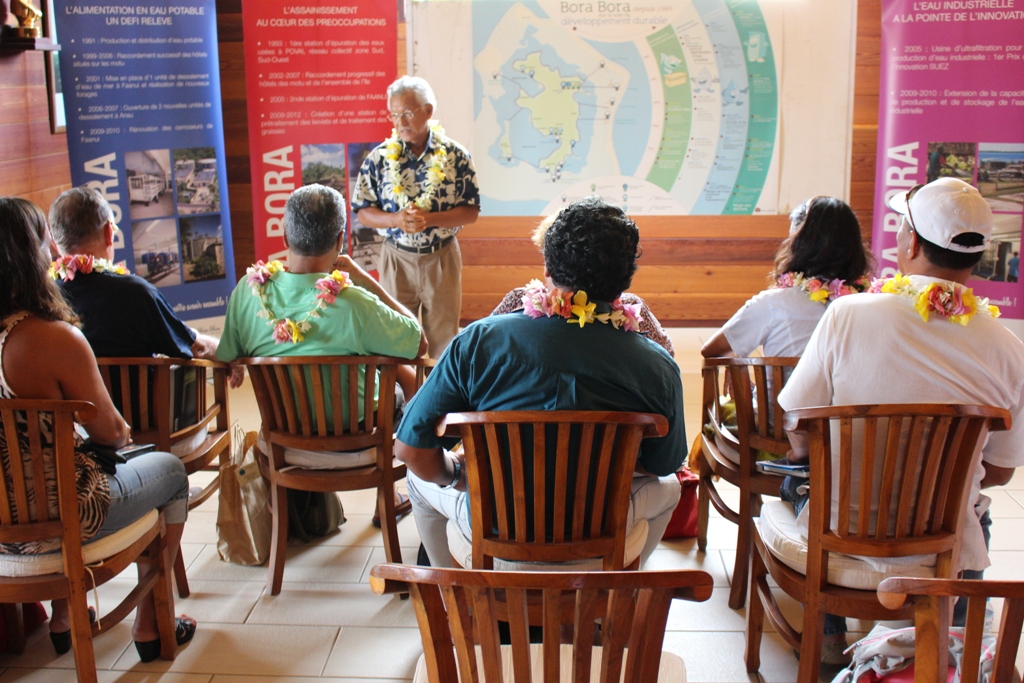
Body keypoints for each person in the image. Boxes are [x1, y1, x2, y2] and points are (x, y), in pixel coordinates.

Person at [777, 177, 1024, 664]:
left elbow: (796, 422)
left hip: (843, 526)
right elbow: (999, 472)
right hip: (944, 535)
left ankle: (827, 632)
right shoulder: (1008, 348)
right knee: (977, 507)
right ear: (978, 257)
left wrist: (807, 455)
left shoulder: (848, 315)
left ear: (910, 241)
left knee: (801, 482)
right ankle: (951, 633)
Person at [395, 196, 685, 568]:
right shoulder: (657, 365)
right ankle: (611, 592)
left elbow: (410, 450)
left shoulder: (478, 341)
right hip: (599, 531)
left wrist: (456, 478)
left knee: (418, 482)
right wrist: (598, 468)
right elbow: (663, 465)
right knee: (671, 489)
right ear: (625, 283)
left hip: (493, 528)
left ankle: (457, 598)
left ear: (547, 267)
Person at [0, 197, 194, 661]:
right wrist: (120, 430)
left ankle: (67, 614)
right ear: (33, 255)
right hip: (68, 513)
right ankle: (153, 622)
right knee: (169, 471)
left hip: (3, 521)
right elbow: (111, 434)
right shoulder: (52, 337)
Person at [216, 184, 426, 523]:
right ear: (341, 238)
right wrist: (362, 279)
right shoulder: (354, 302)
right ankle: (389, 499)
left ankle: (285, 506)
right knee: (398, 375)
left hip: (286, 437)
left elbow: (228, 355)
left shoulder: (248, 292)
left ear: (284, 236)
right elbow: (419, 345)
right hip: (359, 437)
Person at [352, 75, 481, 357]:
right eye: (395, 114)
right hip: (396, 259)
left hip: (441, 257)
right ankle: (402, 400)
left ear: (428, 111)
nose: (401, 122)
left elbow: (471, 211)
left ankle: (442, 400)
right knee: (394, 338)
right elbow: (362, 212)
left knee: (444, 340)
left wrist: (431, 219)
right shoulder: (378, 158)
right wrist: (396, 220)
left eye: (407, 113)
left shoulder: (456, 156)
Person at [47, 187, 222, 362]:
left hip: (75, 391)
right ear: (109, 232)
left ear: (55, 245)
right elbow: (197, 348)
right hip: (138, 391)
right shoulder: (138, 294)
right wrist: (228, 354)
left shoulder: (44, 297)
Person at [701, 196, 872, 360]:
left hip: (783, 392)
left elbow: (711, 349)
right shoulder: (870, 305)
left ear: (799, 246)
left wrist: (739, 368)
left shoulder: (773, 304)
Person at [491, 213, 675, 355]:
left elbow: (483, 349)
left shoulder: (518, 301)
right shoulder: (633, 307)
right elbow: (666, 354)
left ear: (549, 266)